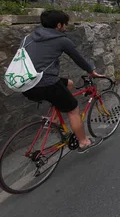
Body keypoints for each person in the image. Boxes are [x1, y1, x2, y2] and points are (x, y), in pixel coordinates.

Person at [21, 10, 103, 153]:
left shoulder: (27, 39)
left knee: (69, 84)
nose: (66, 27)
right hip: (46, 84)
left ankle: (55, 119)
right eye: (65, 24)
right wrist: (91, 71)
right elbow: (79, 59)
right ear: (59, 25)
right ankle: (83, 142)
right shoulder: (61, 40)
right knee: (73, 109)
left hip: (26, 85)